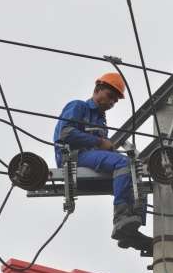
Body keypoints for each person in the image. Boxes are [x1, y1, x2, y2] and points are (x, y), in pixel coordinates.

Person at [53, 72, 141, 242]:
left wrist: (107, 148)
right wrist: (100, 142)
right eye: (110, 96)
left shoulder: (101, 122)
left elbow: (101, 150)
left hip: (90, 156)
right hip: (73, 156)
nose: (111, 103)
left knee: (133, 168)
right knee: (123, 164)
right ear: (97, 90)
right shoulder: (79, 106)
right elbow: (65, 133)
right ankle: (121, 218)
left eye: (115, 101)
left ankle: (132, 225)